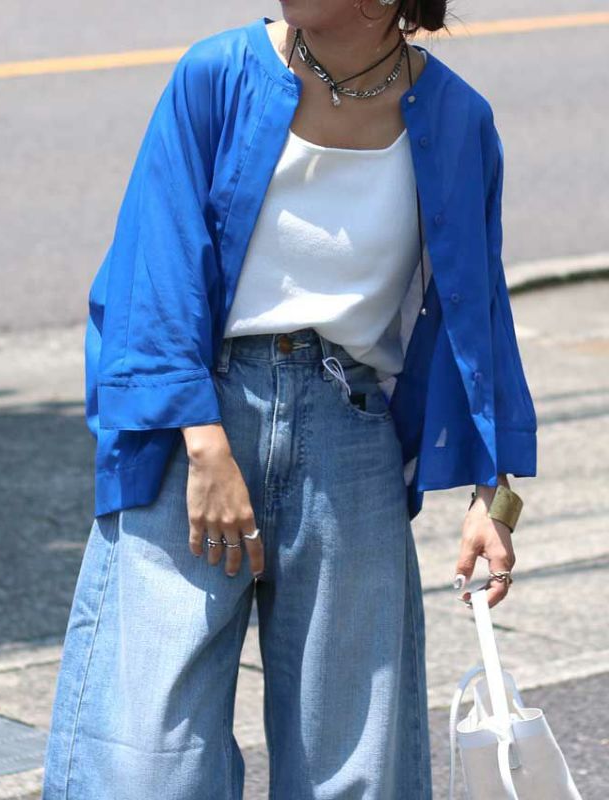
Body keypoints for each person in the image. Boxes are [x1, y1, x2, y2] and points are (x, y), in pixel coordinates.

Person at [43, 2, 537, 798]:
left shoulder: (458, 119)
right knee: (143, 763)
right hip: (194, 427)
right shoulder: (219, 75)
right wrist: (205, 444)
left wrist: (493, 493)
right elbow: (153, 268)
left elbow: (477, 313)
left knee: (353, 770)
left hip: (349, 437)